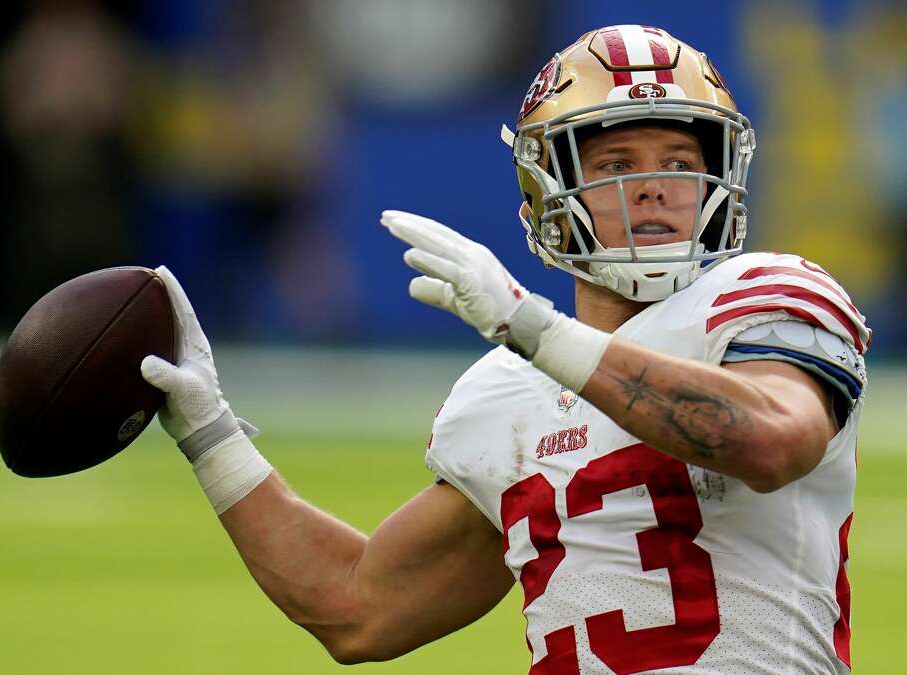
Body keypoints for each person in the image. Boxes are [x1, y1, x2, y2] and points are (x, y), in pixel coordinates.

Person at [140, 25, 870, 674]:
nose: (655, 190)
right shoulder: (508, 392)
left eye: (680, 160)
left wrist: (537, 330)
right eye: (618, 165)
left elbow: (773, 440)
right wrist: (212, 434)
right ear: (551, 187)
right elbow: (357, 606)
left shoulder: (762, 294)